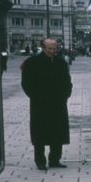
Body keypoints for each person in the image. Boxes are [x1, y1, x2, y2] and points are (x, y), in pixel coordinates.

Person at [21, 38, 73, 170]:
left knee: (57, 132)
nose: (52, 51)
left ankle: (55, 159)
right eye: (49, 48)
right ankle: (40, 161)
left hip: (58, 103)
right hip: (40, 103)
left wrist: (66, 95)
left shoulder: (61, 62)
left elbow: (67, 81)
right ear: (43, 48)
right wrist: (35, 96)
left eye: (54, 48)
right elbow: (26, 83)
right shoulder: (32, 62)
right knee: (39, 133)